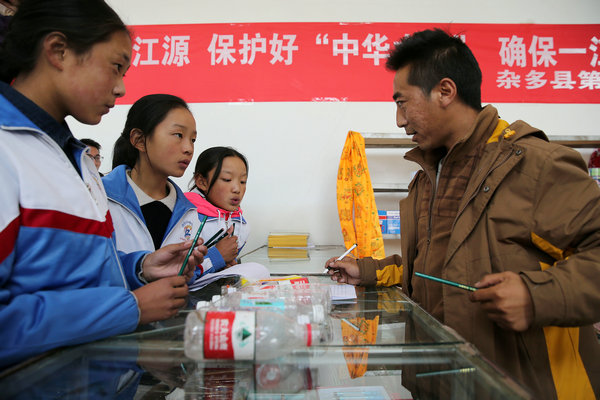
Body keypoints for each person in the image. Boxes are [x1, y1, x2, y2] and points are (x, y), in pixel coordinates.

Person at [326, 29, 600, 399]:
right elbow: (437, 266)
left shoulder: (534, 166)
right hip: (446, 383)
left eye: (403, 102)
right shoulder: (429, 176)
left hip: (523, 387)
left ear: (445, 91)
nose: (398, 120)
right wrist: (370, 271)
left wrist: (537, 296)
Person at [0, 0, 205, 369]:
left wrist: (140, 267)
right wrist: (131, 307)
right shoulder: (6, 149)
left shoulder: (75, 159)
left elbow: (72, 277)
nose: (122, 88)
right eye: (115, 67)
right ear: (58, 51)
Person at [103, 94, 202, 257]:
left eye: (193, 139)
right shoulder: (101, 199)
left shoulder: (188, 211)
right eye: (178, 135)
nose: (188, 148)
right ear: (139, 140)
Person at [185, 147, 250, 275]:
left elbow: (227, 263)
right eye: (227, 179)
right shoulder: (187, 217)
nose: (237, 189)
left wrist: (229, 265)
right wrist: (218, 256)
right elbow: (178, 272)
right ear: (202, 182)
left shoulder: (242, 225)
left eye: (243, 181)